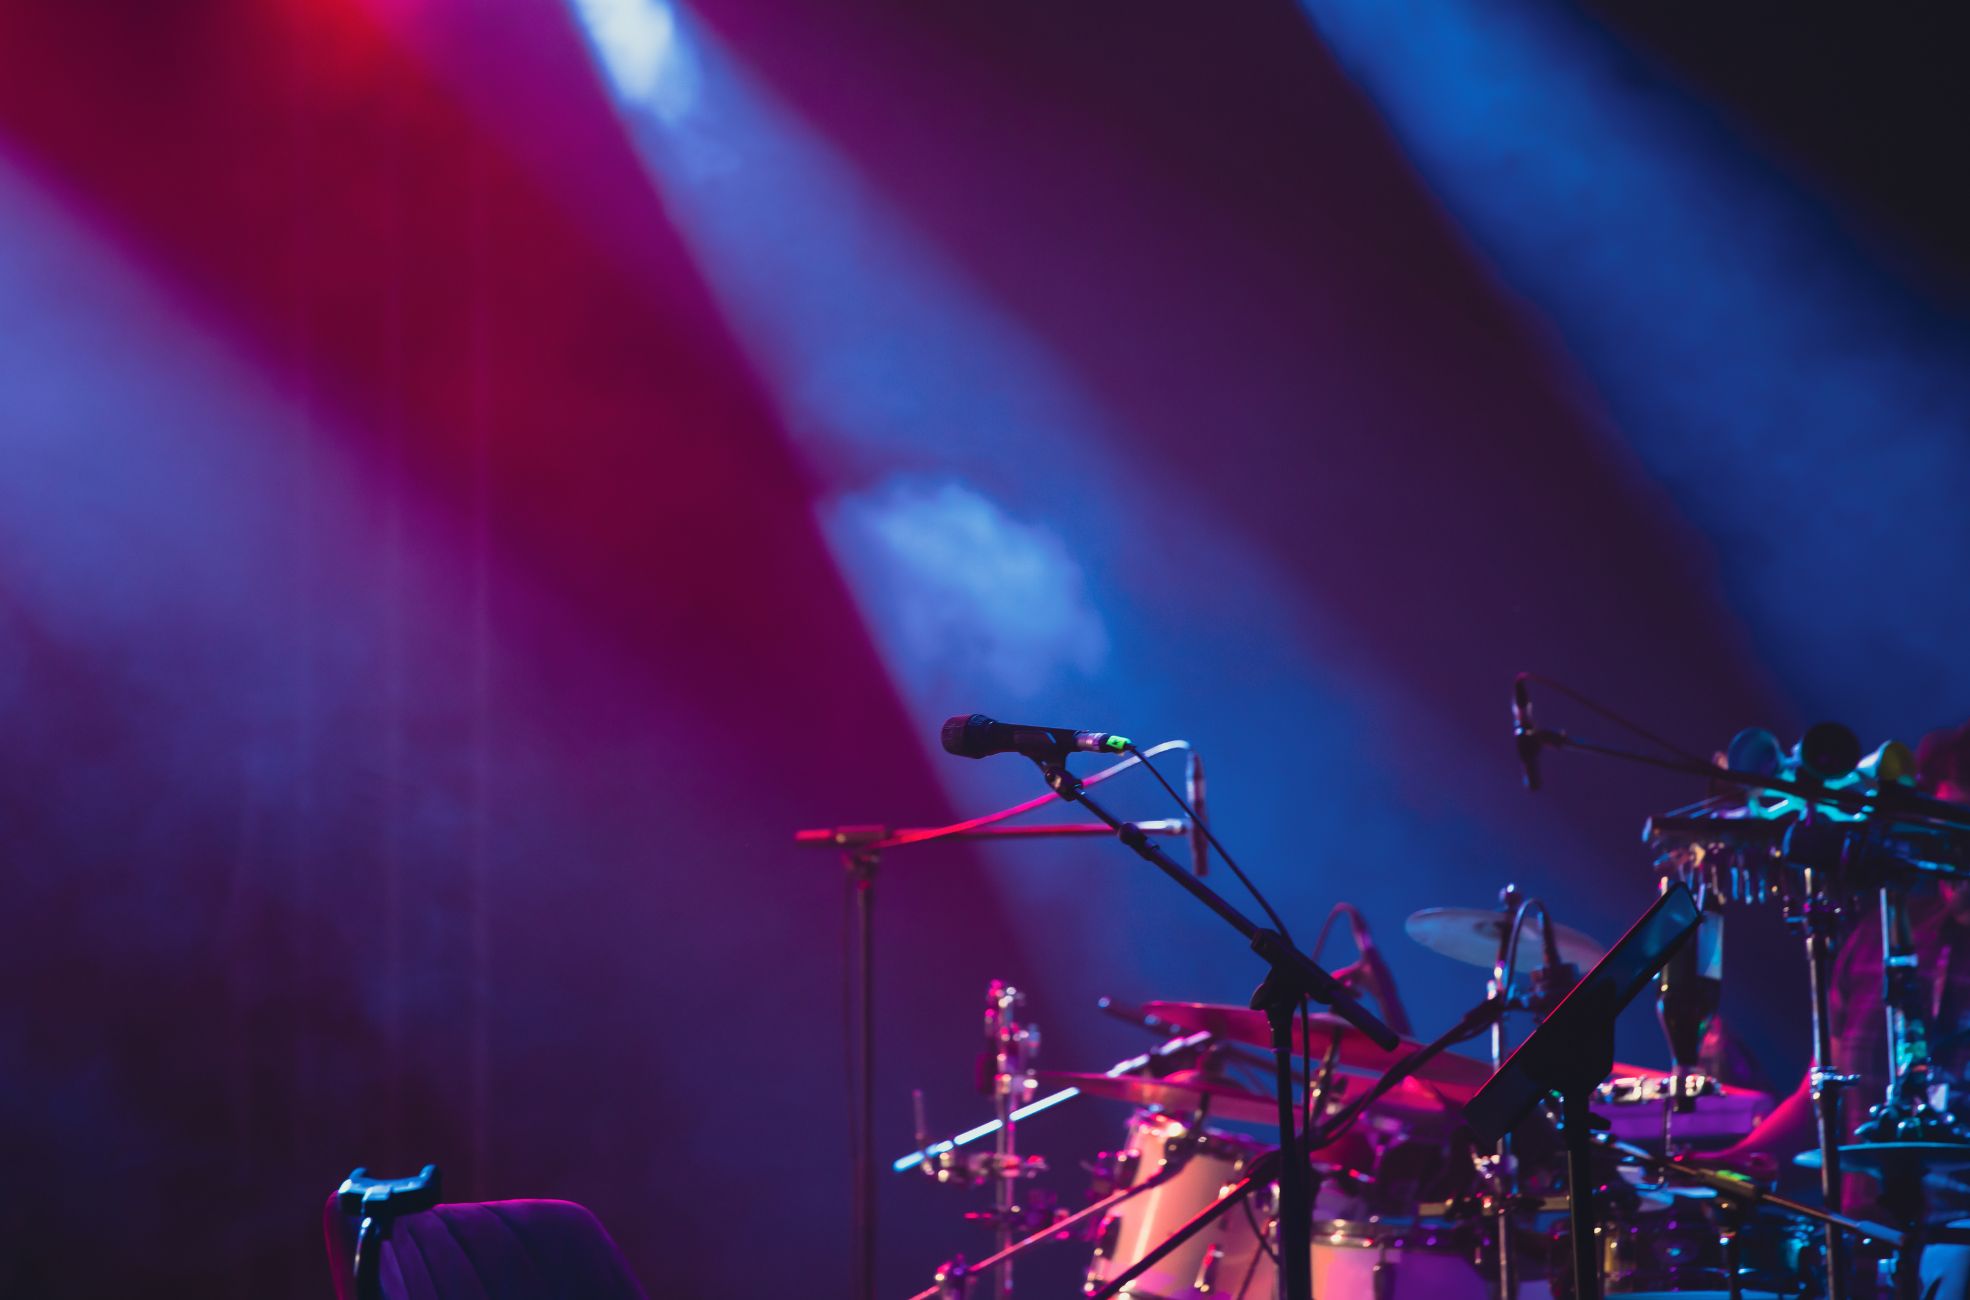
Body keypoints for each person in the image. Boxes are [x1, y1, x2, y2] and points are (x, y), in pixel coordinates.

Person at [1708, 721, 1970, 1294]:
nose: (1954, 852)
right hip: (1866, 1242)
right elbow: (1821, 1093)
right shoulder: (1877, 938)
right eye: (1944, 827)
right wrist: (1729, 1163)